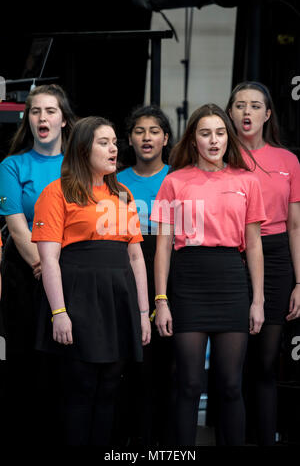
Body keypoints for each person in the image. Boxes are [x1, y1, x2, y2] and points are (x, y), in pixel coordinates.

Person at [150, 103, 266, 446]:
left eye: (219, 133)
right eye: (205, 133)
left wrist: (257, 300)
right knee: (188, 384)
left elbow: (255, 245)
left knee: (230, 384)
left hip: (231, 279)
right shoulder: (174, 181)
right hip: (188, 282)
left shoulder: (247, 180)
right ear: (193, 138)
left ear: (228, 137)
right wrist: (162, 300)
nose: (213, 140)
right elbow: (163, 247)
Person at [31, 116, 151, 446]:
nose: (114, 149)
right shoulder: (57, 193)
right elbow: (50, 260)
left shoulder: (123, 193)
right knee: (80, 387)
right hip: (78, 299)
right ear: (83, 149)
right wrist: (59, 312)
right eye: (104, 142)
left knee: (112, 385)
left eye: (115, 142)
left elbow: (136, 257)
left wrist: (143, 313)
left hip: (118, 300)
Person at [0, 84, 76, 444]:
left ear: (63, 119)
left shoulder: (79, 163)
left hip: (71, 269)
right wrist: (46, 268)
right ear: (27, 119)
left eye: (50, 111)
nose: (42, 118)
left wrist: (59, 270)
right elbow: (16, 226)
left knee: (67, 363)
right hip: (28, 271)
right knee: (26, 359)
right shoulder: (12, 165)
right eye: (35, 112)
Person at [226, 81, 300, 445]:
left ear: (268, 114)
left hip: (276, 256)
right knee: (233, 363)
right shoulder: (220, 158)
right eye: (239, 105)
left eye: (255, 106)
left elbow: (296, 225)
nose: (246, 112)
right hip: (231, 256)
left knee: (266, 363)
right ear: (230, 112)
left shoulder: (288, 161)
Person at [115, 105, 176, 446]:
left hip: (167, 271)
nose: (147, 137)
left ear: (166, 138)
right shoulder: (116, 180)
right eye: (139, 130)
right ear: (129, 139)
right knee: (131, 359)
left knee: (163, 361)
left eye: (154, 131)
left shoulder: (177, 178)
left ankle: (161, 440)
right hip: (127, 270)